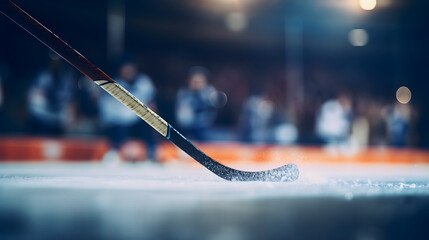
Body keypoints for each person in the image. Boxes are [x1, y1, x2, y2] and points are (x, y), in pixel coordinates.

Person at [99, 60, 158, 163]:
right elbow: (106, 109)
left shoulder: (143, 82)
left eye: (131, 69)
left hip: (138, 120)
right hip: (118, 121)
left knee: (149, 125)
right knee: (118, 130)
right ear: (120, 71)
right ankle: (115, 152)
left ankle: (151, 153)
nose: (129, 72)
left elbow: (151, 102)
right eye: (126, 70)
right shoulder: (112, 84)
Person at [27, 53, 75, 136]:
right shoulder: (41, 77)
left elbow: (70, 100)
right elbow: (33, 98)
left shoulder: (67, 78)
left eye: (57, 61)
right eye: (53, 60)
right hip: (41, 121)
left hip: (58, 122)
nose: (55, 63)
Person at [175, 66, 217, 141]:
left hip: (204, 130)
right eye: (194, 81)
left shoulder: (210, 93)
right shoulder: (183, 93)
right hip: (185, 129)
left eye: (199, 82)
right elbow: (181, 115)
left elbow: (212, 109)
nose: (196, 84)